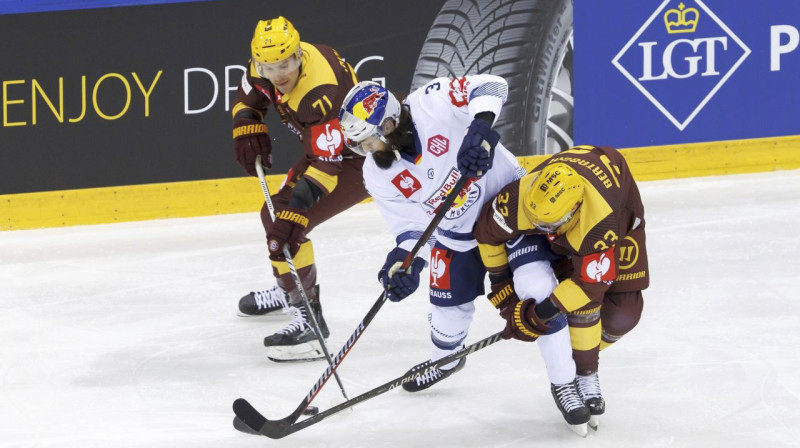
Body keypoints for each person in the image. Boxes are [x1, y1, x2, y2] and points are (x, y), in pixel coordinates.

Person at [339, 78, 591, 433]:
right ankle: (444, 363)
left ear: (390, 123)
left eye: (367, 139)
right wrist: (403, 263)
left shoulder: (431, 102)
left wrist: (479, 129)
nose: (365, 149)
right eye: (358, 144)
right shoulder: (378, 174)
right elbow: (411, 229)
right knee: (446, 315)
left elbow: (493, 85)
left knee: (536, 287)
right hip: (456, 236)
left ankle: (565, 382)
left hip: (510, 211)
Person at [472, 145, 649, 430]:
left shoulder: (600, 223)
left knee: (623, 314)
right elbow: (486, 233)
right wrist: (505, 295)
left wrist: (538, 315)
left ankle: (584, 370)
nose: (542, 229)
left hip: (618, 199)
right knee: (544, 287)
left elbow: (588, 290)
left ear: (575, 211)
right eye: (536, 222)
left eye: (549, 224)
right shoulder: (520, 198)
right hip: (568, 191)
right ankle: (567, 375)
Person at [231, 16, 368, 362]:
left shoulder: (320, 93)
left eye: (284, 65)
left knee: (283, 219)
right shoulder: (264, 63)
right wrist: (247, 124)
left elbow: (327, 166)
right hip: (325, 154)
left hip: (361, 160)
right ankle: (289, 289)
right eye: (268, 66)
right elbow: (250, 95)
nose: (277, 74)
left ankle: (310, 320)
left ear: (298, 57)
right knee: (276, 217)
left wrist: (296, 211)